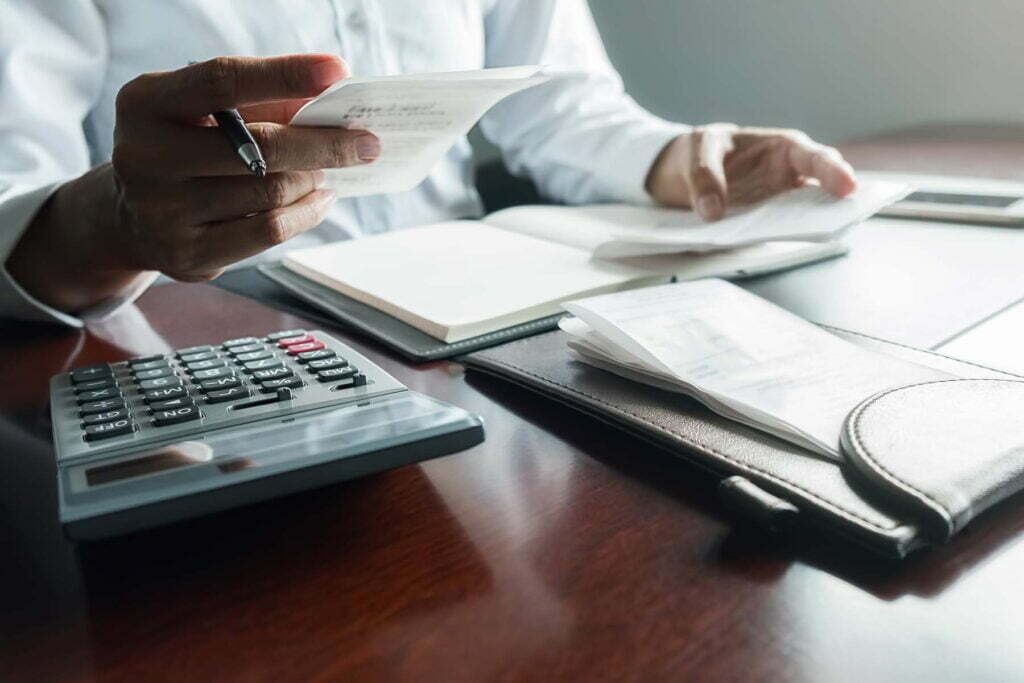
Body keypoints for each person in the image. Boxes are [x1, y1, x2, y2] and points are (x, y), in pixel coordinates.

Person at [0, 1, 856, 327]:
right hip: (205, 343)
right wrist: (112, 222)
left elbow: (558, 100)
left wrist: (678, 158)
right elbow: (11, 198)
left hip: (470, 337)